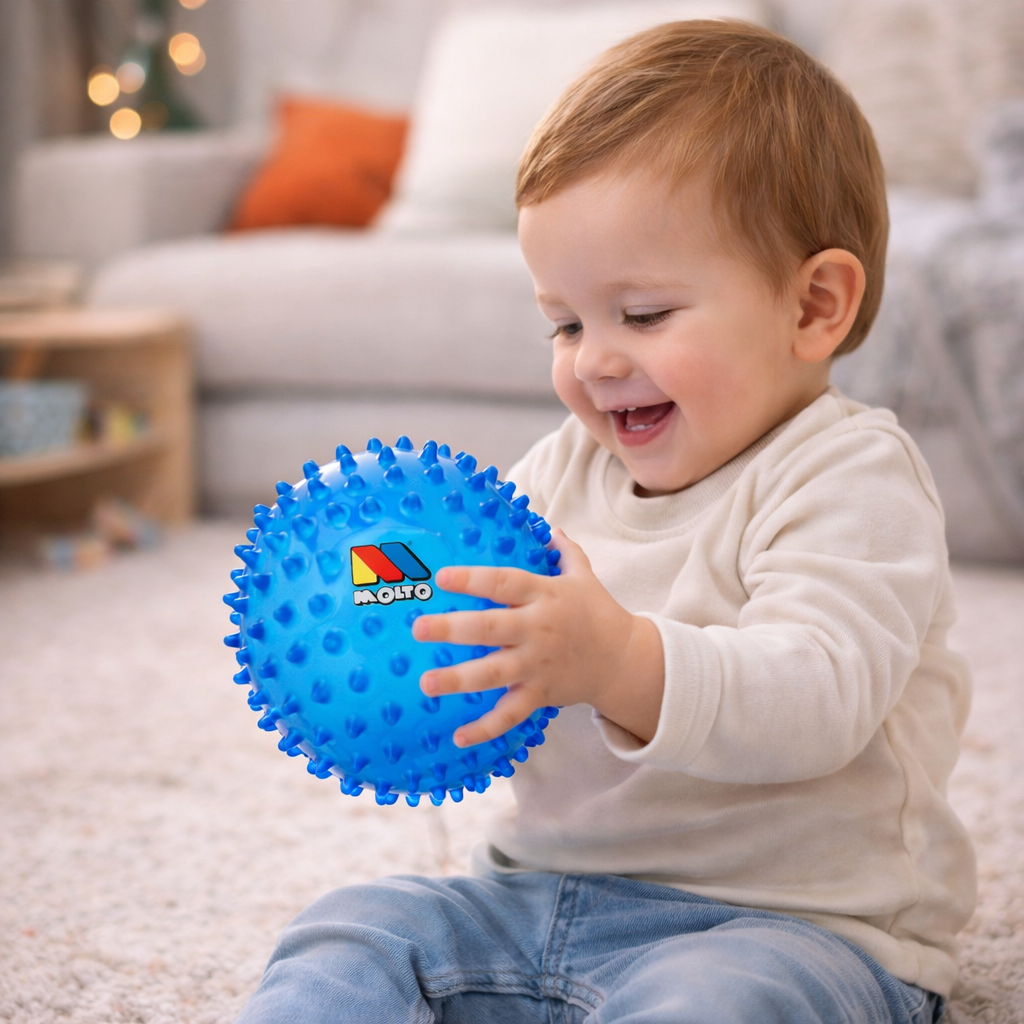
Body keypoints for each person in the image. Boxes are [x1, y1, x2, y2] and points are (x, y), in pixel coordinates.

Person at [235, 20, 975, 1024]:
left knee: (727, 1002)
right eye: (567, 321)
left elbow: (820, 694)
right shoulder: (558, 472)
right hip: (533, 895)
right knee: (352, 930)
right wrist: (369, 583)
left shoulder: (848, 475)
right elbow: (460, 589)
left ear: (813, 307)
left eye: (642, 313)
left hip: (785, 925)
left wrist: (619, 660)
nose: (592, 360)